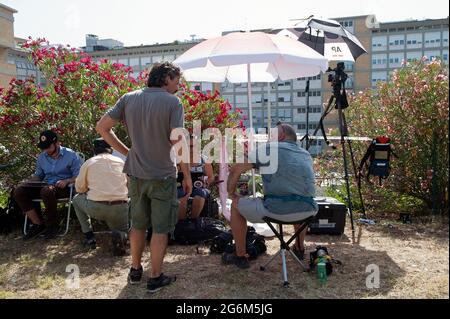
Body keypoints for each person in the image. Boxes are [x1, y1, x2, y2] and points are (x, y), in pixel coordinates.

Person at [96, 62, 192, 293]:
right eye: (177, 81)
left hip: (136, 174)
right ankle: (155, 277)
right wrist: (186, 174)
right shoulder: (173, 102)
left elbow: (102, 127)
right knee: (160, 228)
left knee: (137, 224)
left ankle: (136, 270)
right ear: (167, 77)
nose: (178, 87)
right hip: (162, 175)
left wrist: (128, 152)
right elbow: (177, 141)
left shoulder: (128, 98)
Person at [224, 123, 319, 269]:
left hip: (275, 210)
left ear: (280, 135)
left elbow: (236, 168)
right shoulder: (305, 154)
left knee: (235, 206)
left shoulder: (269, 149)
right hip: (308, 211)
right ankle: (299, 248)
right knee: (297, 196)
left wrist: (231, 193)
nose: (269, 138)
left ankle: (240, 256)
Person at [13, 130, 81, 240]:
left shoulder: (71, 155)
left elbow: (79, 175)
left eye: (48, 147)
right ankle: (38, 224)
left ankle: (53, 225)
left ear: (57, 143)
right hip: (46, 186)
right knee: (19, 191)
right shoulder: (41, 157)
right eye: (44, 147)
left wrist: (67, 181)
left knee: (46, 191)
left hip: (64, 187)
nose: (46, 150)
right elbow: (39, 175)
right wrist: (28, 182)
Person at [72, 138, 129, 256]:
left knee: (77, 200)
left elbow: (79, 188)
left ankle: (89, 237)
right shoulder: (120, 161)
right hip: (120, 206)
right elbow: (130, 186)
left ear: (94, 150)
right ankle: (121, 236)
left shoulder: (89, 163)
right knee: (122, 230)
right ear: (111, 149)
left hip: (96, 207)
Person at [177, 137, 214, 220]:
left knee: (199, 194)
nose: (191, 148)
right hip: (182, 186)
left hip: (199, 186)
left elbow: (211, 176)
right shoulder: (178, 159)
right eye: (189, 146)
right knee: (181, 196)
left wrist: (206, 182)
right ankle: (182, 224)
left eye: (193, 146)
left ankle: (193, 221)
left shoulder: (204, 159)